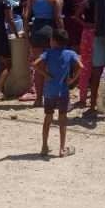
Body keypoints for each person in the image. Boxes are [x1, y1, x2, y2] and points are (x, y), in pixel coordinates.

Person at [34, 29, 80, 158]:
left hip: (49, 91)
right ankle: (62, 149)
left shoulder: (47, 53)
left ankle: (44, 147)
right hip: (63, 91)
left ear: (53, 41)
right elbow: (81, 66)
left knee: (48, 118)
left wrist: (45, 75)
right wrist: (72, 80)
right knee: (62, 120)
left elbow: (35, 64)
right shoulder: (70, 53)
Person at [21, 0, 64, 105]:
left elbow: (26, 16)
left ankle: (39, 98)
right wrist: (62, 33)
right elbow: (58, 18)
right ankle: (53, 97)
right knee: (54, 65)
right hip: (50, 29)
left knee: (39, 66)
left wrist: (27, 33)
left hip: (37, 29)